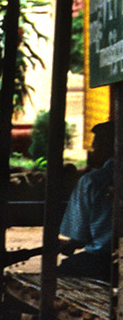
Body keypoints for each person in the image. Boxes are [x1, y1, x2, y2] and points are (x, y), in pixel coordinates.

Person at [57, 120, 114, 281]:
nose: (93, 152)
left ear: (105, 148)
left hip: (103, 262)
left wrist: (70, 245)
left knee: (58, 275)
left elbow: (80, 235)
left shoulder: (92, 181)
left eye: (94, 147)